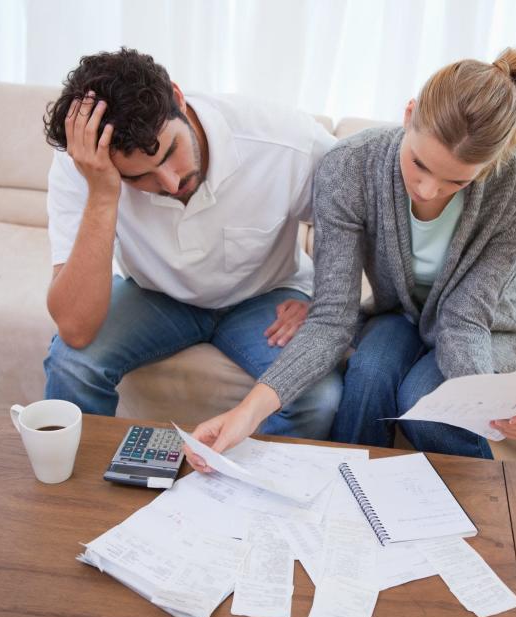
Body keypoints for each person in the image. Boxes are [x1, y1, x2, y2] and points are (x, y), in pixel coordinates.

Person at [187, 48, 516, 469]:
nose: (427, 189)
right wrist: (246, 414)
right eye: (418, 163)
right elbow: (333, 318)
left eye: (456, 181)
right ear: (408, 114)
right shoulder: (349, 166)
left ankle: (491, 519)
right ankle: (348, 504)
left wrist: (487, 402)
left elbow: (464, 317)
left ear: (491, 163)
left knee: (425, 405)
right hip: (402, 314)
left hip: (491, 325)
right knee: (367, 374)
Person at [41, 48, 341, 439]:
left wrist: (324, 302)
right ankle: (83, 498)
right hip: (155, 296)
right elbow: (76, 329)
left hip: (264, 295)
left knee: (317, 396)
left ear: (179, 98)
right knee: (72, 364)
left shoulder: (288, 142)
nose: (169, 182)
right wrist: (102, 193)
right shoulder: (83, 164)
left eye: (169, 152)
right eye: (139, 177)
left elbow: (365, 223)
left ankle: (260, 497)